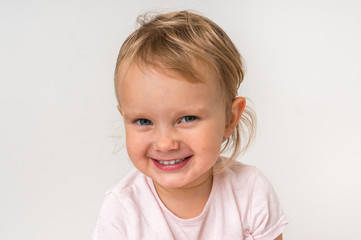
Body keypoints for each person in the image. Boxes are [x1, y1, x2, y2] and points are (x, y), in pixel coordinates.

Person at [94, 10, 288, 240]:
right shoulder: (122, 209)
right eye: (143, 121)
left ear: (230, 118)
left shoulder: (251, 192)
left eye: (187, 119)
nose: (165, 144)